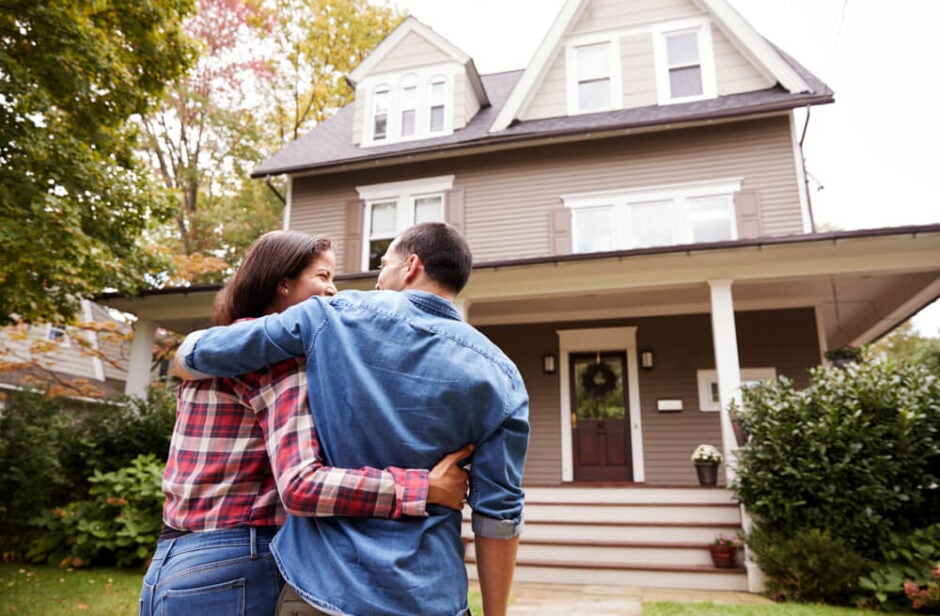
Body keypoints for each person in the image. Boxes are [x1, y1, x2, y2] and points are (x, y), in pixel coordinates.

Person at [175, 222, 529, 616]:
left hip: (324, 590)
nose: (376, 281)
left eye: (383, 266)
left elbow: (202, 352)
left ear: (410, 266)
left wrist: (184, 355)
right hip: (431, 596)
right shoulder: (503, 376)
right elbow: (499, 515)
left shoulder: (330, 316)